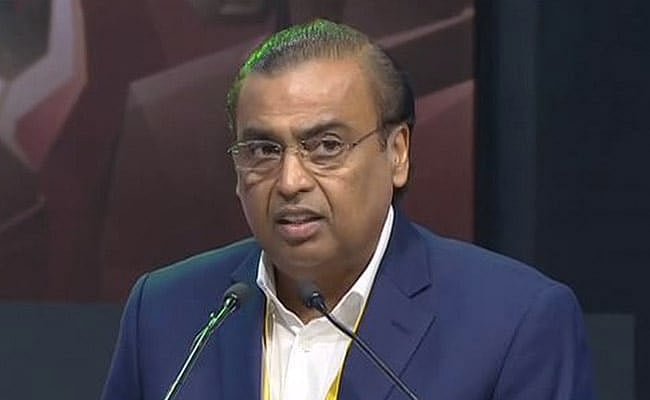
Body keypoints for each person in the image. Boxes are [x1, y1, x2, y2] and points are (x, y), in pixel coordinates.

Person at [102, 19, 595, 400]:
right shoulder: (167, 312)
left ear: (397, 153)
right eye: (263, 150)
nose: (290, 181)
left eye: (326, 146)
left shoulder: (514, 323)